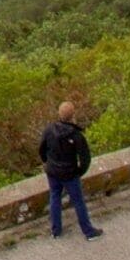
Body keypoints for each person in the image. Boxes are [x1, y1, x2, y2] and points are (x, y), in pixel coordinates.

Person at [38, 99, 99, 238]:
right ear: (73, 115)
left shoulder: (49, 130)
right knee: (78, 201)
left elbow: (41, 149)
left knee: (54, 198)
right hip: (70, 174)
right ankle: (88, 232)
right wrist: (78, 172)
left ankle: (56, 231)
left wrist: (47, 163)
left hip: (53, 172)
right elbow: (85, 159)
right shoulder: (76, 135)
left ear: (59, 114)